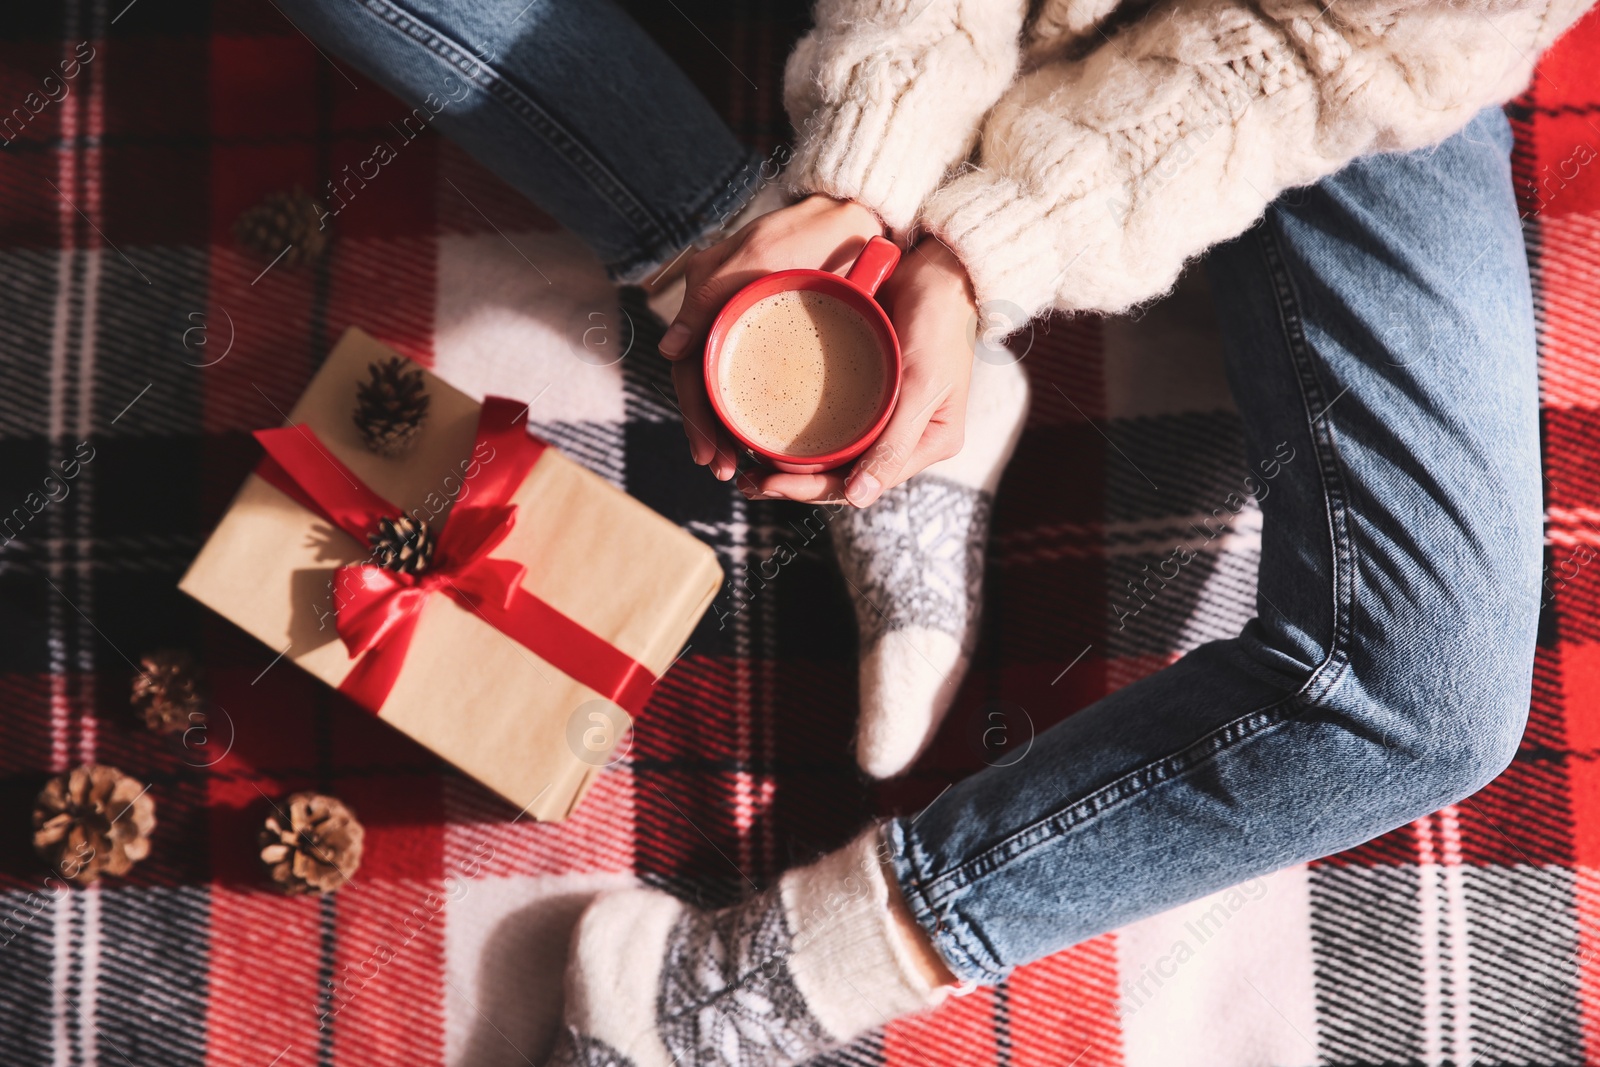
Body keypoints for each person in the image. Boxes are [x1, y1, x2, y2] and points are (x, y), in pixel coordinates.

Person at [278, 0, 1592, 1064]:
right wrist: (861, 179)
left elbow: (1325, 54)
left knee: (1423, 704)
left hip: (1358, 66)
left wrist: (983, 256)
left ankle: (741, 984)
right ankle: (813, 338)